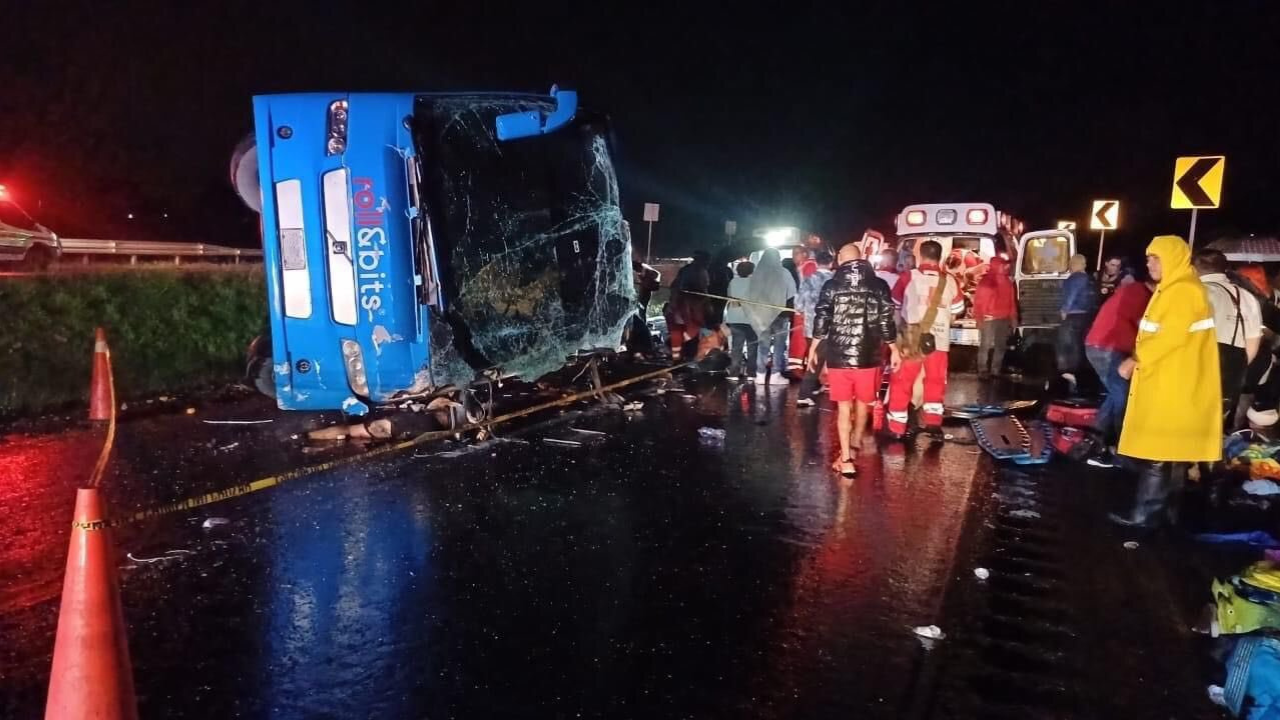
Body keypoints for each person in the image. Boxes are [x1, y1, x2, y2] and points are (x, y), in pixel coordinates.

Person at [1110, 236, 1221, 529]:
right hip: (1175, 378)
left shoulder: (1181, 291)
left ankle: (1144, 516)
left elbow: (1169, 336)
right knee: (1172, 452)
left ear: (1173, 258)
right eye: (1148, 258)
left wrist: (1136, 359)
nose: (1150, 264)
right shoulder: (1180, 288)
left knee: (1158, 452)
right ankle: (1166, 516)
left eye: (1156, 258)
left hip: (1171, 380)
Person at [809, 244, 899, 477]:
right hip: (869, 356)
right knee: (862, 403)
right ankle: (857, 441)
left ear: (841, 258)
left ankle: (846, 458)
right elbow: (886, 319)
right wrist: (894, 347)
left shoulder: (832, 285)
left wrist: (813, 347)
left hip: (839, 356)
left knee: (843, 407)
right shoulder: (879, 285)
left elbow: (822, 317)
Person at [886, 240, 959, 439]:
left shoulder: (908, 277)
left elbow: (895, 307)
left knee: (903, 382)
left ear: (920, 256)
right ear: (940, 257)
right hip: (939, 340)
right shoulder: (950, 280)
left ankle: (897, 428)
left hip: (912, 337)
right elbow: (956, 312)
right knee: (935, 381)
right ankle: (934, 424)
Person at [1084, 278, 1155, 463]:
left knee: (1116, 394)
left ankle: (1095, 438)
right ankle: (1120, 447)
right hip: (1108, 347)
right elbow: (1145, 327)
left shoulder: (1133, 290)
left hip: (1101, 345)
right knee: (1122, 395)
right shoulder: (1141, 296)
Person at [1194, 248, 1263, 429]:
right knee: (1215, 424)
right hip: (1233, 366)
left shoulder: (1195, 292)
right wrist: (1237, 366)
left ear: (1194, 268)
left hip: (1196, 365)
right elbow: (1253, 341)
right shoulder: (1247, 298)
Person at [744, 248, 798, 385]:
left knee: (763, 345)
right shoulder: (784, 273)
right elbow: (792, 293)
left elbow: (750, 295)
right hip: (781, 314)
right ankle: (775, 374)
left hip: (761, 315)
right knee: (779, 345)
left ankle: (760, 374)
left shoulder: (757, 274)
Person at [796, 250, 836, 405]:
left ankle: (815, 386)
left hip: (810, 327)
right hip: (829, 327)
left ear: (816, 263)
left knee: (815, 357)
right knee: (817, 360)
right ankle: (803, 394)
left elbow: (798, 305)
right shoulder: (835, 281)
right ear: (831, 263)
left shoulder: (807, 280)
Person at [973, 255, 1018, 379]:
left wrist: (1013, 318)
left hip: (1003, 318)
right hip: (989, 318)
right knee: (986, 345)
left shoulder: (1007, 282)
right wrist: (979, 318)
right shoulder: (986, 282)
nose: (1006, 267)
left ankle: (995, 370)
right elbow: (979, 302)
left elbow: (1011, 301)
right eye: (1003, 265)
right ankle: (982, 370)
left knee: (1000, 345)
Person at [1057, 254, 1095, 392]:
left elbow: (1071, 295)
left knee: (1066, 345)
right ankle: (1079, 375)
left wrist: (1064, 310)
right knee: (1079, 345)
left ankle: (1068, 374)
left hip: (1073, 314)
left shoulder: (1075, 279)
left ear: (1074, 264)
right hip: (1086, 316)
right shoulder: (1089, 279)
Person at [666, 251, 711, 360]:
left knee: (680, 332)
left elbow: (673, 286)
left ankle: (678, 358)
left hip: (678, 307)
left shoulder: (684, 270)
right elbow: (703, 290)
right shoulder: (701, 271)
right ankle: (688, 357)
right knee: (692, 333)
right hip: (692, 308)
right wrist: (708, 305)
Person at [724, 261, 757, 378]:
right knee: (752, 346)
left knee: (736, 347)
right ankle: (751, 373)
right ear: (752, 271)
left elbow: (729, 298)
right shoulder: (755, 283)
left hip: (735, 318)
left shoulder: (733, 282)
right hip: (752, 319)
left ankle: (734, 372)